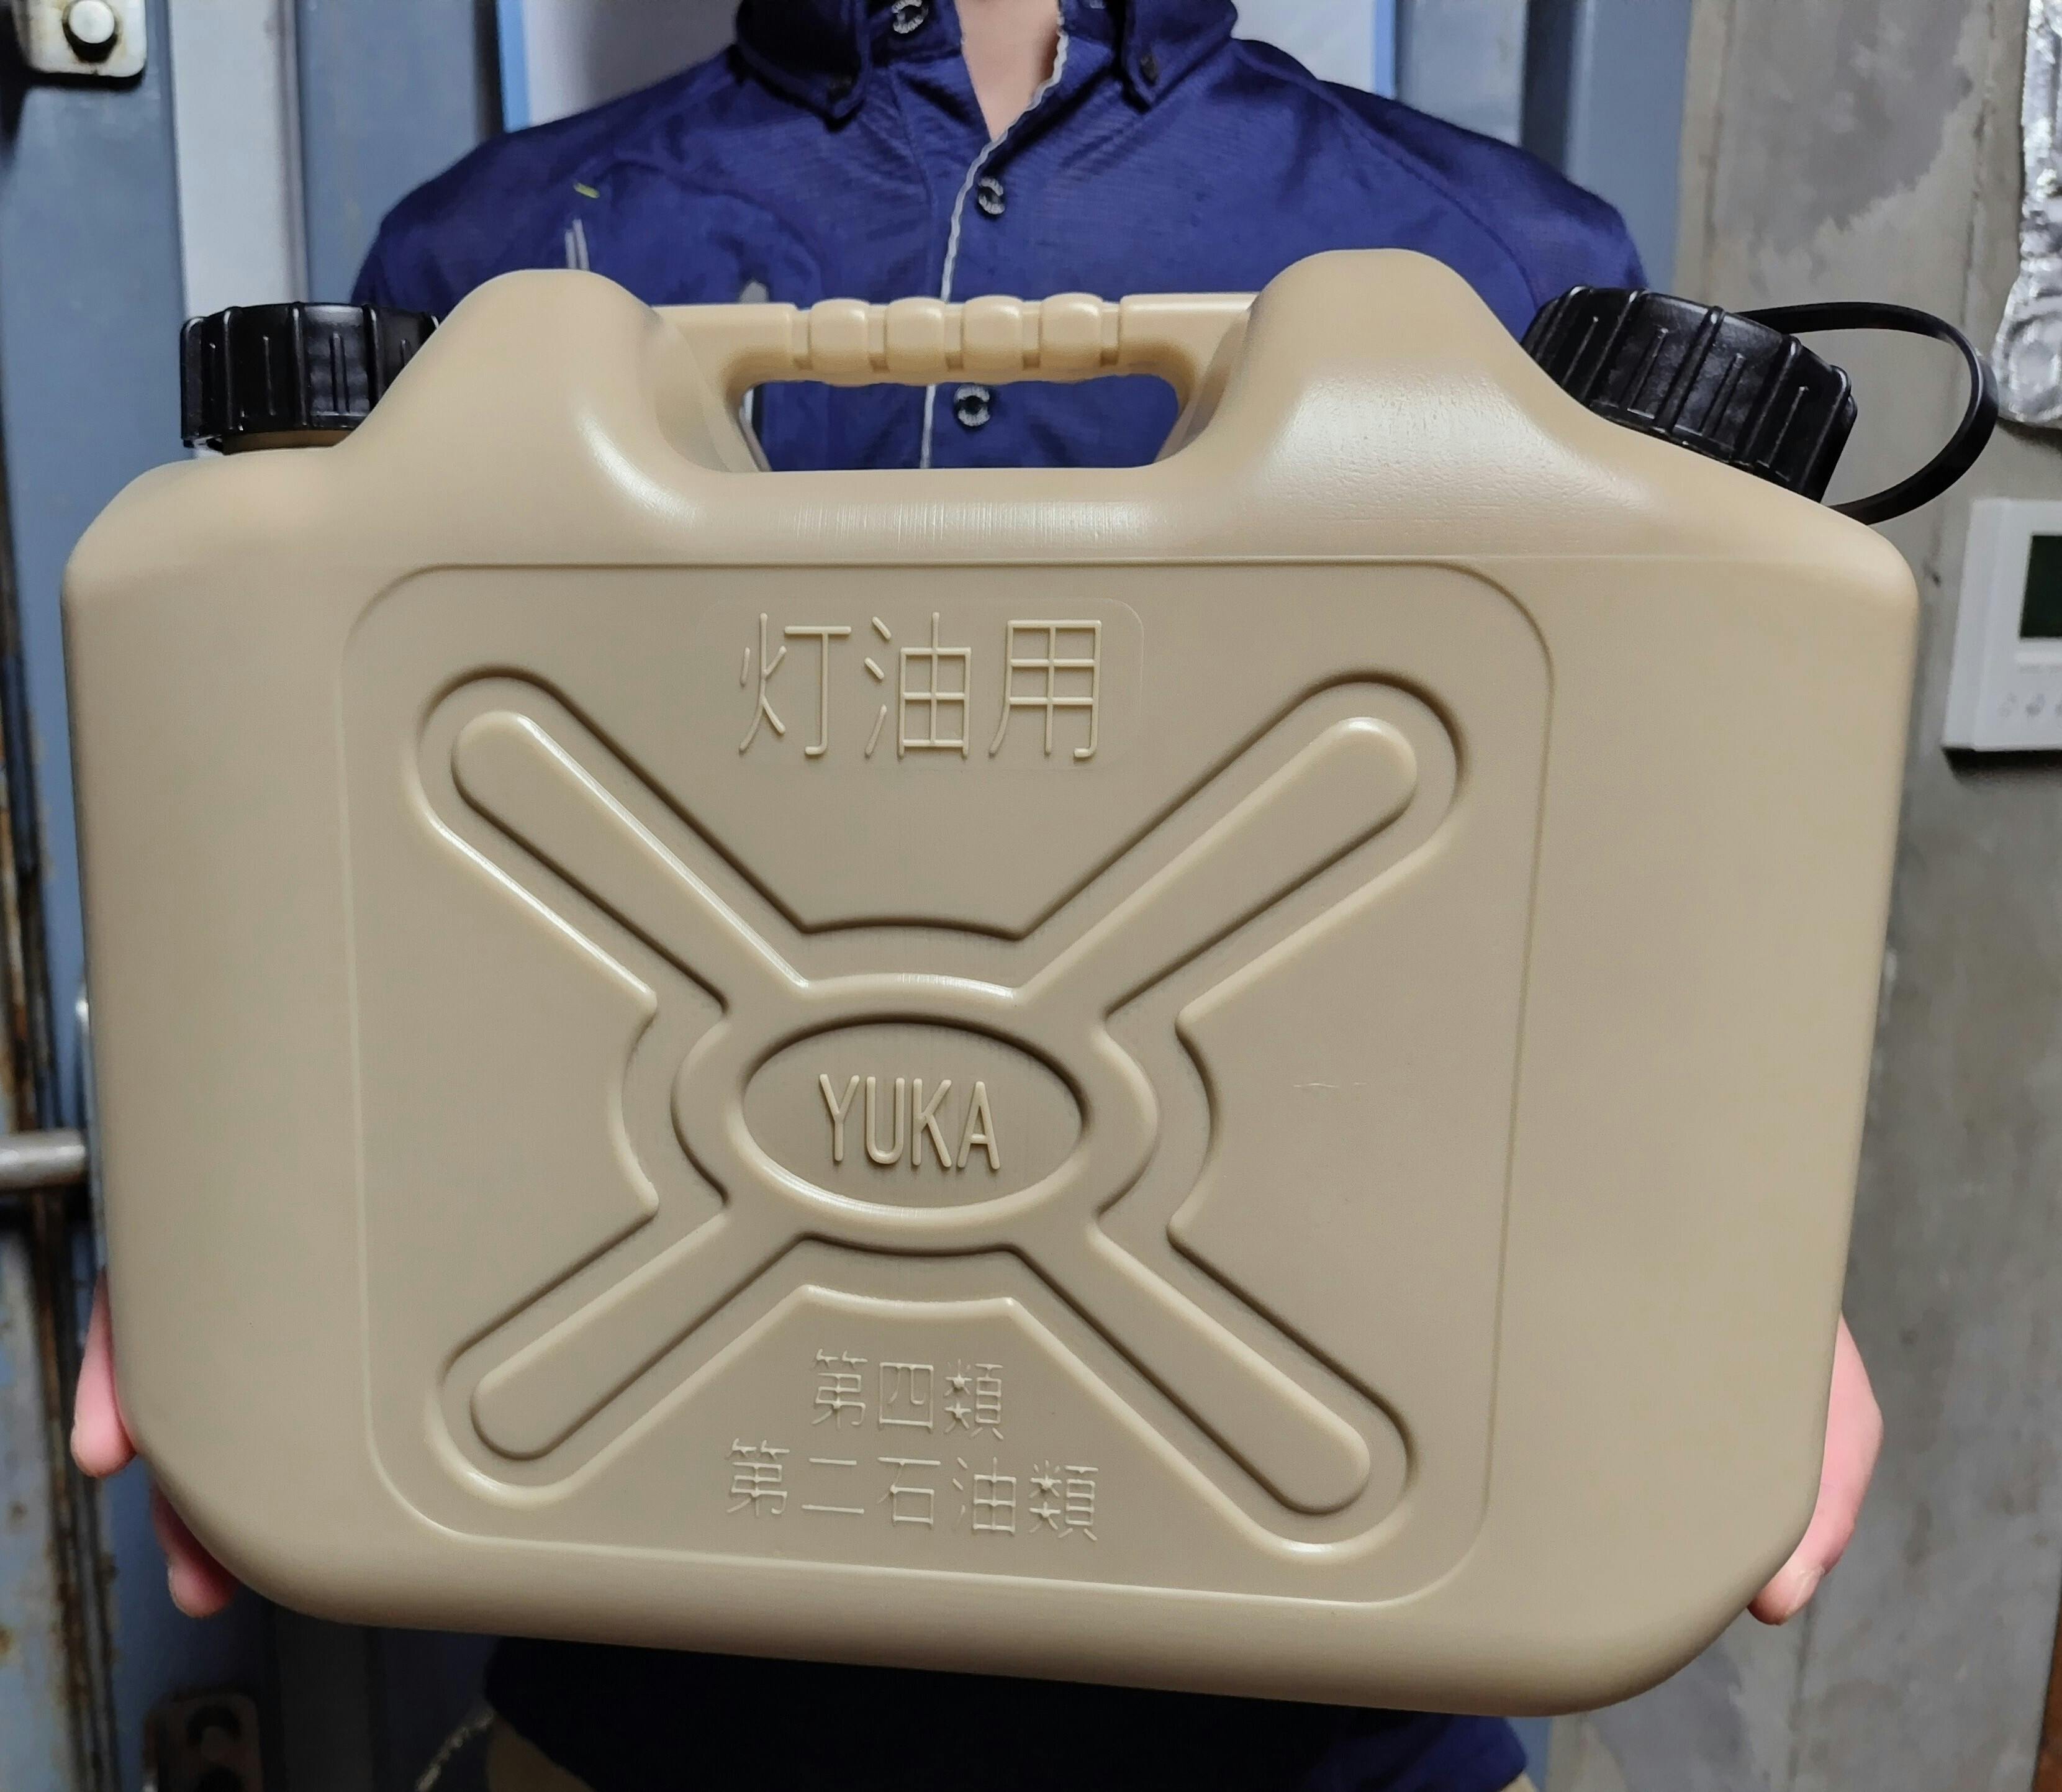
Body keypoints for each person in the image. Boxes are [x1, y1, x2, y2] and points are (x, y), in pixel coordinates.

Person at [73, 2, 1886, 1788]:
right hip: (654, 1703)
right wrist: (225, 1227)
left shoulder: (1495, 259)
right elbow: (371, 922)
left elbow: (1618, 942)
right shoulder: (494, 257)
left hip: (1323, 1731)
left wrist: (1730, 1273)